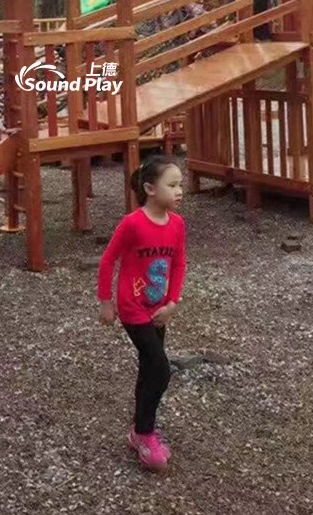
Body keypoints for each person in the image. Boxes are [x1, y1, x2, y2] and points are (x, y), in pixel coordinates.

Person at [97, 155, 187, 472]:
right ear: (149, 189)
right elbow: (108, 260)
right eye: (172, 185)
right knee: (161, 370)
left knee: (149, 368)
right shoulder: (132, 224)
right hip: (133, 308)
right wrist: (105, 301)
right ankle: (144, 433)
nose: (179, 191)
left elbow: (179, 263)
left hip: (158, 308)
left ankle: (139, 429)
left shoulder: (177, 224)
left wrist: (172, 303)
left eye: (180, 185)